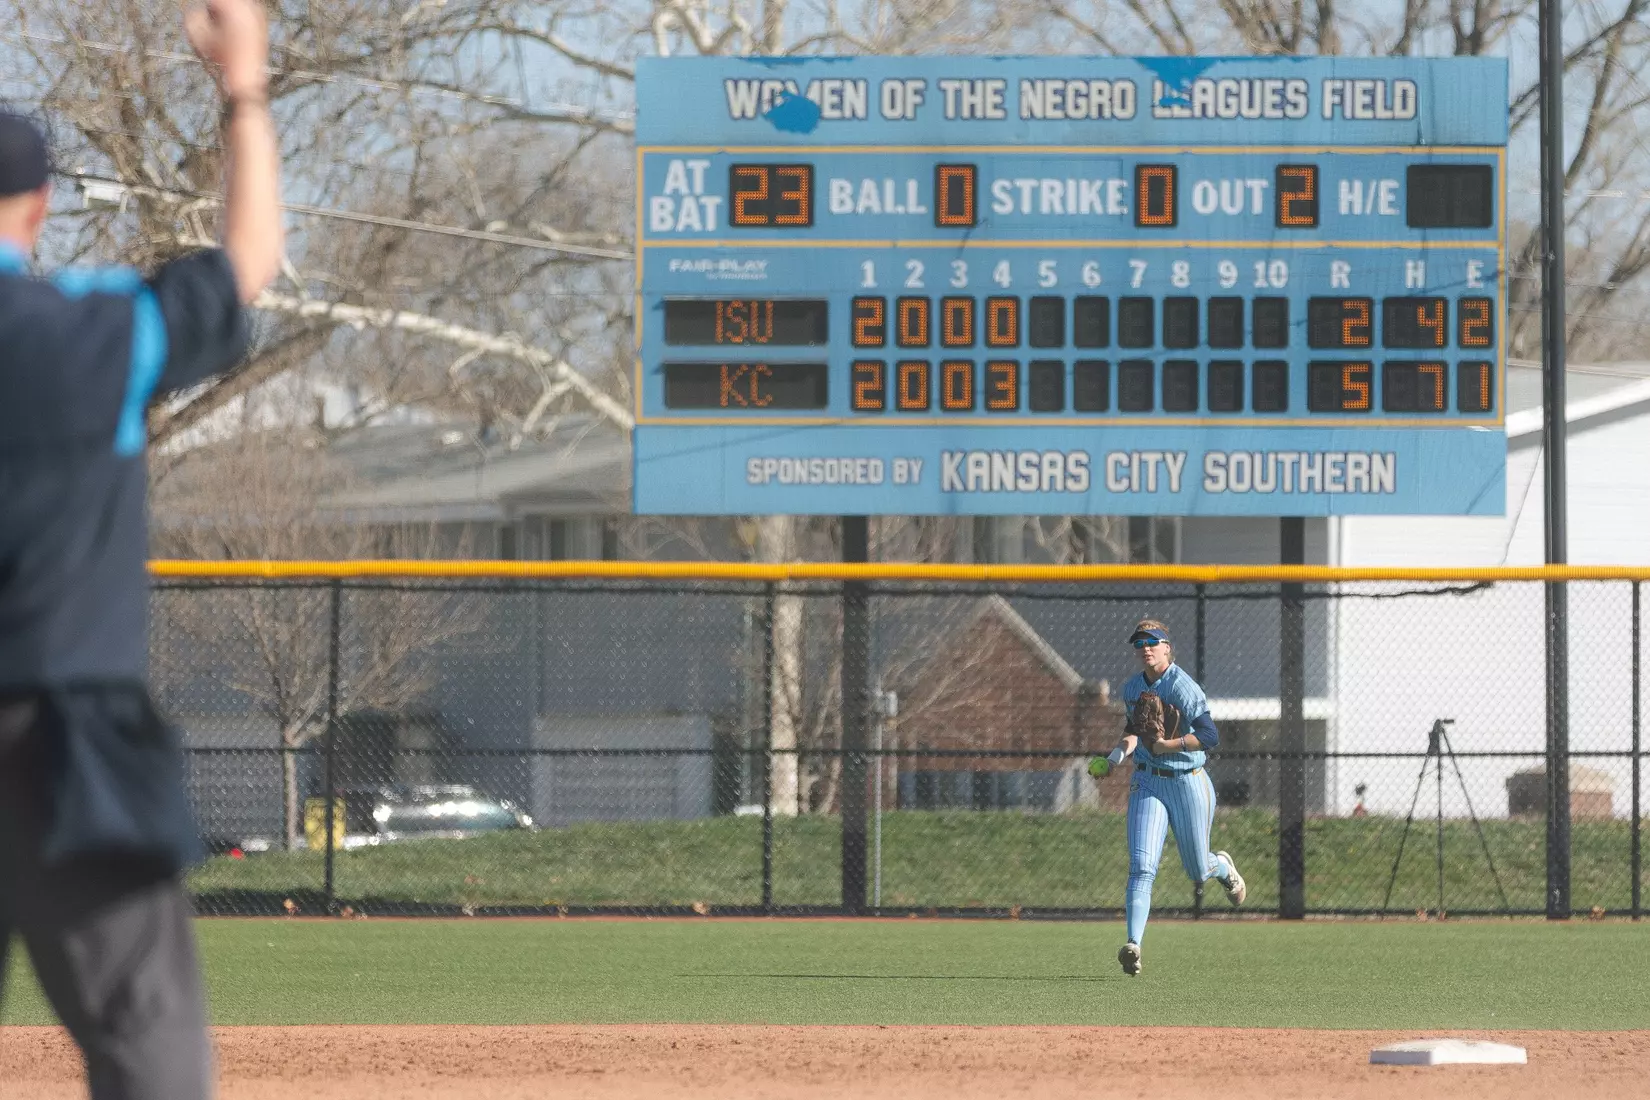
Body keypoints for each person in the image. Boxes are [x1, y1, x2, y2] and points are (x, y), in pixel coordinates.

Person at [0, 1, 280, 1096]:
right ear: (40, 205)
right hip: (64, 739)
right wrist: (243, 89)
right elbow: (247, 261)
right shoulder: (93, 328)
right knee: (147, 1045)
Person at [1100, 619, 1246, 977]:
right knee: (1142, 865)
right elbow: (1133, 731)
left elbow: (1209, 736)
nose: (1145, 648)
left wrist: (1169, 745)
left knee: (1197, 870)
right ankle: (1133, 945)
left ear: (1167, 647)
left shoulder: (1183, 687)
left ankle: (1222, 867)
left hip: (1188, 781)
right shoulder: (1133, 687)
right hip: (1148, 782)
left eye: (1153, 641)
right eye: (1139, 643)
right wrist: (1115, 757)